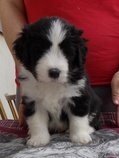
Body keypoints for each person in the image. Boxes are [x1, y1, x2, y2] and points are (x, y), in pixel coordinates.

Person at [0, 0, 119, 127]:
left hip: (112, 91)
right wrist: (27, 75)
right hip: (37, 85)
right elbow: (10, 3)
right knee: (39, 139)